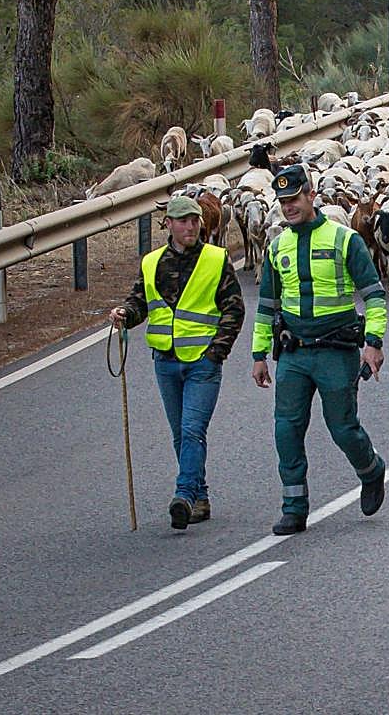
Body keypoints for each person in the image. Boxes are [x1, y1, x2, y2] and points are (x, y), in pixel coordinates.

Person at [251, 165, 389, 536]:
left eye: (294, 199)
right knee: (286, 429)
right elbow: (267, 305)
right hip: (293, 352)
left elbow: (374, 294)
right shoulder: (277, 246)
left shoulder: (345, 239)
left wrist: (373, 343)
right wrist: (258, 354)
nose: (289, 207)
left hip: (335, 350)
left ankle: (371, 470)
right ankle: (294, 507)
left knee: (342, 428)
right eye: (282, 202)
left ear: (311, 195)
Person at [108, 195, 245, 530]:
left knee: (191, 429)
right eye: (183, 221)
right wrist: (125, 315)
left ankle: (183, 496)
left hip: (202, 363)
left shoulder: (216, 259)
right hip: (165, 362)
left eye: (195, 220)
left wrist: (217, 352)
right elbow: (140, 302)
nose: (190, 227)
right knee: (179, 434)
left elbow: (234, 308)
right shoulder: (152, 262)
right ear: (168, 224)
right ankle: (200, 496)